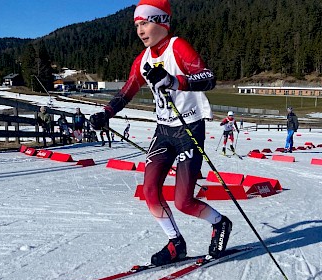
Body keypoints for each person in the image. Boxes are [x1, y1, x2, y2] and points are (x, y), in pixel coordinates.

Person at [89, 0, 232, 266]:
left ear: (162, 23)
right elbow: (127, 90)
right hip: (164, 131)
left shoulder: (177, 46)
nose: (140, 30)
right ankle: (176, 243)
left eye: (145, 23)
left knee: (183, 201)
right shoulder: (143, 59)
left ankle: (220, 223)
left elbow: (208, 78)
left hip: (189, 128)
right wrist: (106, 113)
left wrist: (174, 80)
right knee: (150, 190)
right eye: (137, 26)